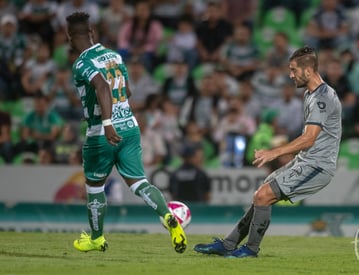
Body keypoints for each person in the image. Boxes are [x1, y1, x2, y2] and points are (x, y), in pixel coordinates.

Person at [194, 46, 342, 258]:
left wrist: (275, 153)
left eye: (293, 70)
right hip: (306, 160)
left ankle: (251, 250)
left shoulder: (322, 99)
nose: (291, 75)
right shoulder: (312, 93)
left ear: (308, 71)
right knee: (261, 194)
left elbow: (310, 138)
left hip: (317, 166)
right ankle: (228, 244)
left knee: (263, 195)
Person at [66, 12, 186, 254]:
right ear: (92, 33)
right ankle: (168, 216)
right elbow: (127, 91)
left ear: (70, 38)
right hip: (130, 127)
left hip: (102, 131)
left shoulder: (82, 63)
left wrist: (107, 122)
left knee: (95, 186)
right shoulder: (114, 56)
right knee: (139, 182)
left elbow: (101, 86)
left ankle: (96, 238)